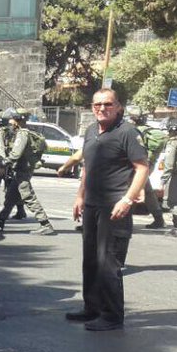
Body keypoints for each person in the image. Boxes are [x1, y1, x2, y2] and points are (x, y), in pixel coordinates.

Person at [65, 88, 150, 331]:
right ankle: (91, 307)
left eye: (108, 104)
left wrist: (127, 200)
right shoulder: (92, 131)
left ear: (118, 107)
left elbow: (142, 168)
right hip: (92, 204)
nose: (102, 108)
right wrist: (80, 196)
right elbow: (87, 167)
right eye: (97, 104)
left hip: (114, 206)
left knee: (107, 261)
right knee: (90, 259)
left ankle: (112, 315)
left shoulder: (127, 132)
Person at [0, 108, 55, 235]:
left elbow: (16, 154)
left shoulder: (22, 134)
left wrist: (5, 162)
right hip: (20, 170)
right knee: (10, 197)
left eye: (12, 119)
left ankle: (45, 224)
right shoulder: (24, 132)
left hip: (23, 170)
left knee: (28, 196)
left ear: (18, 119)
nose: (10, 122)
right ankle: (0, 221)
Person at [126, 104, 168, 228]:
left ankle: (125, 220)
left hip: (137, 165)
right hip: (147, 164)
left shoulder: (133, 131)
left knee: (132, 190)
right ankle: (159, 219)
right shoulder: (148, 130)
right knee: (147, 191)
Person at [0, 111, 28, 222]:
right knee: (13, 188)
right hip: (12, 164)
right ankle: (20, 210)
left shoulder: (0, 133)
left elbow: (0, 150)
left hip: (4, 164)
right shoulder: (15, 131)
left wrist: (2, 164)